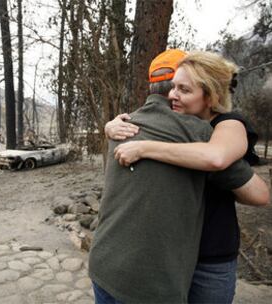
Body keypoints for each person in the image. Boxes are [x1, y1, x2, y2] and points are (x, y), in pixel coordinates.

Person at [88, 49, 268, 304]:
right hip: (170, 255)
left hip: (211, 253)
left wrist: (145, 147)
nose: (172, 95)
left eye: (184, 89)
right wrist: (110, 127)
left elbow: (215, 158)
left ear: (210, 95)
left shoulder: (226, 125)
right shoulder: (176, 125)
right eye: (173, 87)